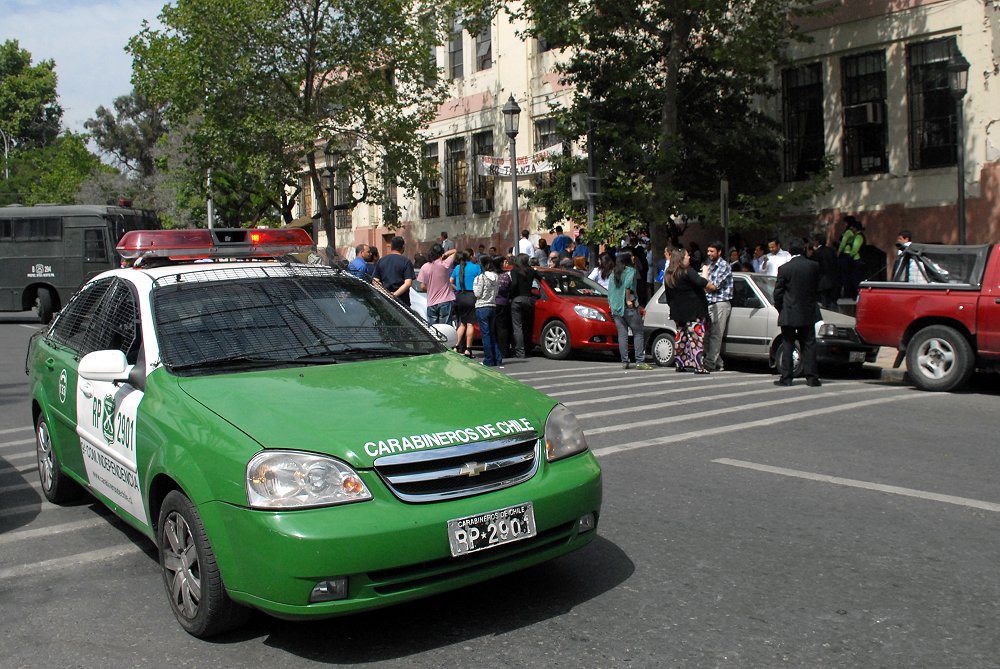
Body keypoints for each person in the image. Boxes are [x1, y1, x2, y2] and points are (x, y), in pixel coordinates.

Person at [773, 237, 822, 387]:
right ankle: (812, 377)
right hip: (808, 310)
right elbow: (817, 288)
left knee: (788, 343)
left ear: (789, 251)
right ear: (803, 250)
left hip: (789, 311)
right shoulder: (813, 266)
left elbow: (778, 293)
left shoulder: (784, 268)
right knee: (809, 343)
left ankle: (787, 377)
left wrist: (780, 307)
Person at [663, 248, 709, 373]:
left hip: (678, 311)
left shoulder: (669, 274)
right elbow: (701, 282)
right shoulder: (687, 271)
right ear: (681, 258)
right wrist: (705, 272)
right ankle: (699, 366)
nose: (689, 257)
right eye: (687, 255)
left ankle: (680, 362)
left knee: (681, 336)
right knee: (696, 337)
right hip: (693, 310)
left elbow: (668, 296)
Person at [607, 250, 652, 370]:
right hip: (628, 306)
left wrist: (611, 304)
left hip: (616, 307)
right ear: (627, 258)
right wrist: (628, 300)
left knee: (622, 334)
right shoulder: (631, 271)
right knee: (638, 332)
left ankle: (625, 361)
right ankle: (639, 361)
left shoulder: (614, 272)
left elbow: (610, 290)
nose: (633, 258)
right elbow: (628, 286)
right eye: (632, 256)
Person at [703, 241, 733, 372]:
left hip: (720, 303)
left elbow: (713, 287)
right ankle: (718, 362)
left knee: (716, 334)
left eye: (712, 251)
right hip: (708, 303)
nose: (709, 253)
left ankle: (710, 362)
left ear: (719, 252)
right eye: (708, 251)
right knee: (706, 335)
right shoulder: (709, 265)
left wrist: (703, 279)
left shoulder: (724, 266)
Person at [449, 251, 481, 357]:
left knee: (462, 323)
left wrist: (457, 288)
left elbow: (450, 281)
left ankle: (456, 346)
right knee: (470, 323)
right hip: (471, 296)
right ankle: (468, 349)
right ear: (471, 256)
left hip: (460, 296)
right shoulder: (476, 267)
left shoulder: (458, 267)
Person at [473, 255, 503, 367]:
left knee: (485, 334)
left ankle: (488, 359)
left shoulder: (480, 277)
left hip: (482, 306)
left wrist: (475, 284)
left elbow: (477, 293)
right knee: (492, 333)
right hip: (492, 305)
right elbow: (496, 292)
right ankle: (497, 358)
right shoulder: (496, 276)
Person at [416, 243, 457, 324]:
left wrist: (432, 288)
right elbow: (455, 251)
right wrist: (444, 255)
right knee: (445, 329)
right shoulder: (445, 264)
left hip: (431, 302)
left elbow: (422, 286)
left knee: (434, 330)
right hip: (445, 300)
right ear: (441, 253)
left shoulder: (424, 267)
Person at [508, 254, 537, 358]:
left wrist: (510, 295)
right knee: (527, 326)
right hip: (529, 299)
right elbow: (540, 279)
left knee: (517, 327)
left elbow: (514, 283)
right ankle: (528, 348)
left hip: (517, 299)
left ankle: (520, 351)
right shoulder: (531, 271)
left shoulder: (515, 270)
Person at [372, 236, 415, 307]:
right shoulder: (406, 262)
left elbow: (375, 281)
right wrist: (394, 295)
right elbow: (408, 283)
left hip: (386, 302)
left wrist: (385, 294)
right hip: (403, 303)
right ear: (403, 247)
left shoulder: (381, 261)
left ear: (391, 247)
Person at [838, 215, 866, 299]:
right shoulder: (856, 235)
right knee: (853, 277)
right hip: (855, 259)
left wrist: (849, 256)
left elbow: (855, 249)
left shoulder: (858, 236)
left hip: (856, 259)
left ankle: (855, 294)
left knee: (855, 278)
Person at [811, 233, 841, 309]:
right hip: (833, 279)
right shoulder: (832, 251)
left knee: (824, 304)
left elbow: (815, 267)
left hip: (822, 281)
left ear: (817, 242)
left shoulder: (817, 253)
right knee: (832, 303)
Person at [495, 255, 514, 357]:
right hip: (503, 303)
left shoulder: (490, 275)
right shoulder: (505, 276)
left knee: (493, 328)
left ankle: (495, 350)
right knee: (503, 328)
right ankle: (504, 351)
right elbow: (509, 289)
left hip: (493, 303)